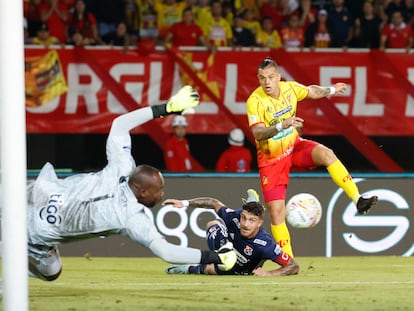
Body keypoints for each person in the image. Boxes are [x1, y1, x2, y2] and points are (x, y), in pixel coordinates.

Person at [24, 85, 237, 281]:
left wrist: (167, 107)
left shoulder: (122, 167)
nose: (161, 194)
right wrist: (215, 257)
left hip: (39, 191)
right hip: (33, 230)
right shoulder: (131, 217)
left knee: (53, 272)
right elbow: (167, 251)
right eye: (158, 190)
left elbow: (119, 124)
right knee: (42, 265)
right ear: (142, 192)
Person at [245, 57, 378, 257]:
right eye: (262, 78)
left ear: (278, 77)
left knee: (327, 154)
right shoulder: (254, 101)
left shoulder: (290, 89)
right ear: (258, 79)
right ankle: (288, 260)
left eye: (271, 77)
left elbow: (312, 90)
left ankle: (357, 198)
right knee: (276, 212)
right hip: (271, 161)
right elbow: (258, 134)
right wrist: (283, 124)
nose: (267, 82)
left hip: (295, 147)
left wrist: (332, 90)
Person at [164, 189, 300, 276]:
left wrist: (269, 274)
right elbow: (213, 203)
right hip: (225, 259)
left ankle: (187, 269)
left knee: (212, 270)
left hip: (242, 271)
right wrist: (184, 203)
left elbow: (293, 266)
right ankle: (223, 255)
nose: (246, 224)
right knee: (213, 225)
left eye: (252, 220)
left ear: (260, 223)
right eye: (244, 218)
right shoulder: (235, 217)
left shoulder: (265, 244)